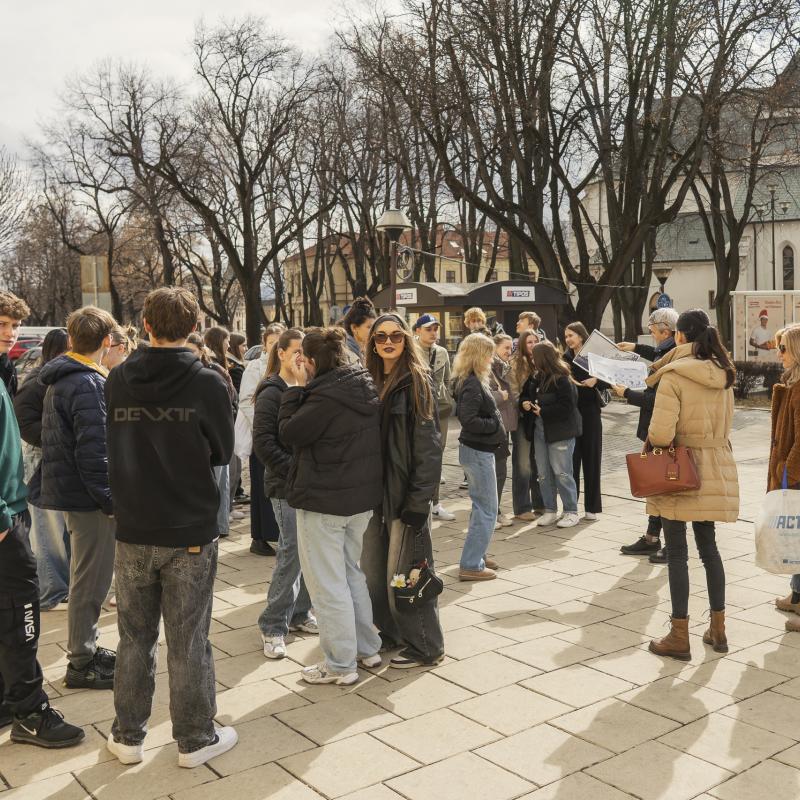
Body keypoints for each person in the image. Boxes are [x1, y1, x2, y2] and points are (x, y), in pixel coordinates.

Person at [105, 287, 238, 768]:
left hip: (134, 524)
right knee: (188, 639)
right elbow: (223, 451)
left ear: (145, 324)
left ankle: (127, 737)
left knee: (133, 637)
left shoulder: (118, 378)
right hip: (188, 530)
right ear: (193, 327)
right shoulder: (206, 382)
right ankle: (195, 739)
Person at [0, 295, 85, 748]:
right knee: (22, 613)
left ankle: (7, 699)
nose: (10, 332)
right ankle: (31, 713)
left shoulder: (3, 370)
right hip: (4, 518)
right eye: (3, 323)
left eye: (14, 324)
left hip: (11, 509)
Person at [278, 328, 383, 685]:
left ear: (308, 361)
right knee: (350, 573)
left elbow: (290, 433)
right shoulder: (362, 384)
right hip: (359, 500)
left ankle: (340, 664)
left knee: (328, 585)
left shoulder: (322, 396)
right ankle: (367, 649)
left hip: (325, 502)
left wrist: (293, 388)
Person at [646, 309, 738, 660]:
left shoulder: (674, 375)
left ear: (680, 337)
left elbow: (660, 433)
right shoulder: (724, 372)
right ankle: (718, 628)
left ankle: (678, 634)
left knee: (678, 554)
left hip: (679, 470)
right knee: (709, 549)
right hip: (714, 465)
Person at [38, 306, 117, 690]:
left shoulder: (66, 377)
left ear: (71, 340)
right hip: (88, 498)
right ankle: (81, 661)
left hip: (74, 491)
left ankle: (85, 649)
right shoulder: (88, 383)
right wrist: (109, 500)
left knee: (86, 576)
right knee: (90, 580)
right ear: (106, 342)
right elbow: (94, 451)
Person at [363, 313, 445, 668]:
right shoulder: (369, 379)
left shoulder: (416, 380)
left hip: (403, 495)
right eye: (381, 337)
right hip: (373, 495)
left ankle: (426, 644)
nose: (388, 342)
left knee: (408, 574)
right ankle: (390, 633)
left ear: (406, 339)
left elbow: (429, 445)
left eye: (395, 335)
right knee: (375, 573)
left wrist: (420, 499)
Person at [253, 328, 318, 659]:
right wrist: (296, 468)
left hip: (307, 484)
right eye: (297, 351)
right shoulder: (271, 392)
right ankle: (272, 624)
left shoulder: (305, 387)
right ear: (280, 353)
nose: (302, 358)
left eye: (306, 352)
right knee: (292, 551)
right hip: (285, 485)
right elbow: (263, 444)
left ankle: (299, 613)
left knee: (308, 550)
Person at [614, 307, 679, 563]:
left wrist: (627, 394)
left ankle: (668, 543)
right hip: (656, 430)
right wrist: (635, 347)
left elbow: (655, 400)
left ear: (666, 331)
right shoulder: (668, 349)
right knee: (657, 486)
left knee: (664, 487)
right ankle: (652, 537)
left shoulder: (673, 353)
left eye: (653, 332)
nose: (651, 337)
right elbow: (657, 353)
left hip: (663, 430)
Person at [13, 328, 71, 611]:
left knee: (59, 534)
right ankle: (50, 594)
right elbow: (24, 423)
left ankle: (61, 589)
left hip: (54, 464)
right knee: (48, 535)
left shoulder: (55, 378)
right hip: (40, 467)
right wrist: (58, 438)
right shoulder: (37, 381)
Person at [453, 333, 506, 581]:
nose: (492, 358)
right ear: (479, 355)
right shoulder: (472, 383)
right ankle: (471, 565)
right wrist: (494, 424)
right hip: (478, 452)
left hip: (477, 451)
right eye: (489, 353)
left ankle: (478, 555)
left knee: (481, 507)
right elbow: (468, 419)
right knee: (487, 509)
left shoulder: (473, 379)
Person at [519, 341, 581, 529]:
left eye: (533, 357)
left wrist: (543, 411)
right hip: (539, 432)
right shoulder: (537, 376)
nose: (532, 360)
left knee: (562, 473)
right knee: (544, 474)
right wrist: (526, 403)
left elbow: (567, 407)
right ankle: (550, 510)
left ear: (542, 358)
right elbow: (525, 395)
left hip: (560, 432)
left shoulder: (562, 378)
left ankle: (571, 511)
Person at [236, 323, 284, 556]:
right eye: (272, 342)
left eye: (279, 342)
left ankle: (276, 533)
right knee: (260, 487)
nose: (276, 347)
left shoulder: (286, 365)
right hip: (263, 436)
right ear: (264, 344)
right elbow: (246, 400)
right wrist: (265, 425)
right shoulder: (255, 367)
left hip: (282, 435)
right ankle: (259, 536)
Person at [767, 325, 800, 632]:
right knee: (796, 540)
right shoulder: (794, 381)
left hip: (797, 474)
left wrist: (786, 469)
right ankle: (797, 595)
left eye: (784, 348)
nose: (779, 354)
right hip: (792, 474)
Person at [187, 333, 233, 541]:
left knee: (219, 483)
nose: (188, 356)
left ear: (201, 350)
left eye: (192, 352)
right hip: (196, 442)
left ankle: (220, 525)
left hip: (213, 438)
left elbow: (229, 400)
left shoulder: (213, 372)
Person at [563, 322, 608, 520]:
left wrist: (596, 380)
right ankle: (571, 508)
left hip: (590, 413)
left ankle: (592, 509)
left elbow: (612, 378)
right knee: (572, 463)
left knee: (592, 461)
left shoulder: (594, 356)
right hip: (572, 415)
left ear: (581, 336)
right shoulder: (564, 358)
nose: (568, 339)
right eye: (566, 336)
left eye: (571, 335)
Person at [413, 313, 455, 521]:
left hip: (440, 410)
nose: (433, 333)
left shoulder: (442, 352)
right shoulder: (410, 350)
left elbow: (447, 380)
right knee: (419, 456)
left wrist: (446, 402)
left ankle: (436, 503)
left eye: (435, 329)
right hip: (418, 409)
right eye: (428, 329)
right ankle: (420, 502)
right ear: (417, 331)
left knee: (437, 456)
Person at [510, 329, 545, 520]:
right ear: (523, 344)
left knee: (538, 463)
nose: (532, 345)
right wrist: (522, 404)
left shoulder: (542, 361)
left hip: (539, 418)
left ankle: (540, 503)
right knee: (523, 463)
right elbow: (513, 391)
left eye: (535, 341)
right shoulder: (516, 363)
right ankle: (522, 507)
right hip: (522, 420)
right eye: (529, 342)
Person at [490, 333, 517, 527]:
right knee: (495, 470)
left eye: (511, 348)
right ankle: (493, 512)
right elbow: (490, 397)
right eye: (505, 348)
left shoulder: (507, 367)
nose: (509, 351)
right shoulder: (491, 368)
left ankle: (496, 510)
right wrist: (504, 396)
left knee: (500, 469)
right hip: (493, 426)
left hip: (503, 425)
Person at [342, 297, 377, 363]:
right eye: (369, 327)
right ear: (354, 328)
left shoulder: (363, 350)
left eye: (374, 326)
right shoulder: (345, 353)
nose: (374, 331)